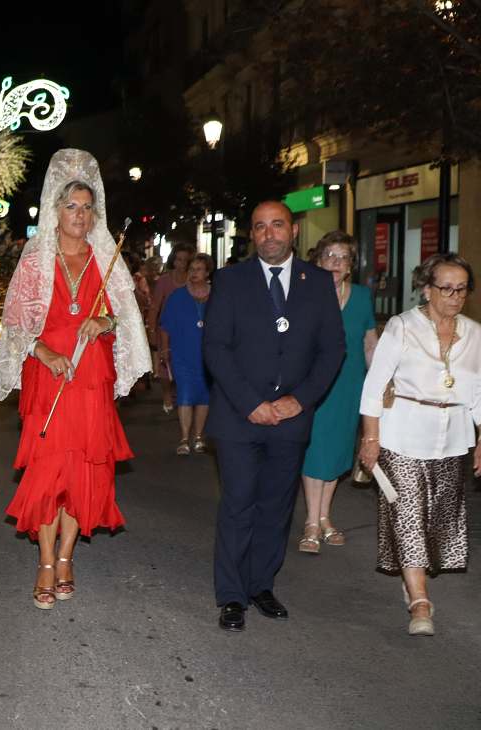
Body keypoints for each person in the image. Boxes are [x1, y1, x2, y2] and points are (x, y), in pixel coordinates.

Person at [0, 149, 151, 610]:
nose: (79, 215)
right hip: (49, 375)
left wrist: (104, 323)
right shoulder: (36, 257)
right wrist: (42, 351)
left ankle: (66, 558)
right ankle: (44, 561)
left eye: (86, 207)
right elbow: (17, 323)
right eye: (70, 207)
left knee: (83, 470)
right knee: (47, 471)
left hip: (91, 376)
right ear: (55, 212)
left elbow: (124, 316)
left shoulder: (107, 257)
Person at [203, 201, 345, 632]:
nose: (269, 234)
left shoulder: (318, 282)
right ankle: (231, 595)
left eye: (277, 225)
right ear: (252, 234)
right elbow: (216, 348)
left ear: (294, 230)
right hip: (238, 417)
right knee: (239, 503)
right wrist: (252, 403)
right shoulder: (230, 281)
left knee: (276, 506)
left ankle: (261, 585)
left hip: (291, 420)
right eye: (260, 227)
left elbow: (332, 350)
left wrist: (299, 401)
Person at [359, 253, 477, 637]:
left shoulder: (475, 334)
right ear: (427, 289)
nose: (454, 296)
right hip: (402, 434)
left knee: (439, 520)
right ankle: (420, 601)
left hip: (452, 436)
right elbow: (374, 386)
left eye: (462, 289)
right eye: (446, 288)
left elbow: (477, 391)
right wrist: (371, 438)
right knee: (408, 514)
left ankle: (413, 578)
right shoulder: (402, 326)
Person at [298, 232, 377, 553]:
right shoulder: (304, 294)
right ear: (317, 261)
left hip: (349, 385)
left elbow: (370, 343)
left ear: (350, 266)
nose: (336, 262)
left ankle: (325, 517)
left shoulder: (361, 296)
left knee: (338, 453)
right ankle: (311, 523)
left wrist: (379, 382)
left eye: (343, 257)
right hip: (313, 384)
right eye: (329, 255)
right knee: (315, 451)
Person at [159, 253, 215, 455]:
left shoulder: (217, 295)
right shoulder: (177, 296)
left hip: (209, 354)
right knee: (184, 394)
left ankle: (199, 436)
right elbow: (165, 326)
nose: (194, 273)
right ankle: (184, 437)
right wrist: (165, 349)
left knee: (204, 396)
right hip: (183, 353)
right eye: (191, 269)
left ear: (207, 272)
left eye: (199, 269)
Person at [148, 242, 195, 413]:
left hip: (188, 331)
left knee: (186, 365)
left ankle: (183, 396)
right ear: (173, 261)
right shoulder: (164, 281)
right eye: (178, 260)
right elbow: (155, 307)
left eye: (185, 260)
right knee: (165, 365)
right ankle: (167, 393)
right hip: (167, 330)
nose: (181, 263)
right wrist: (152, 330)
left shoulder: (193, 279)